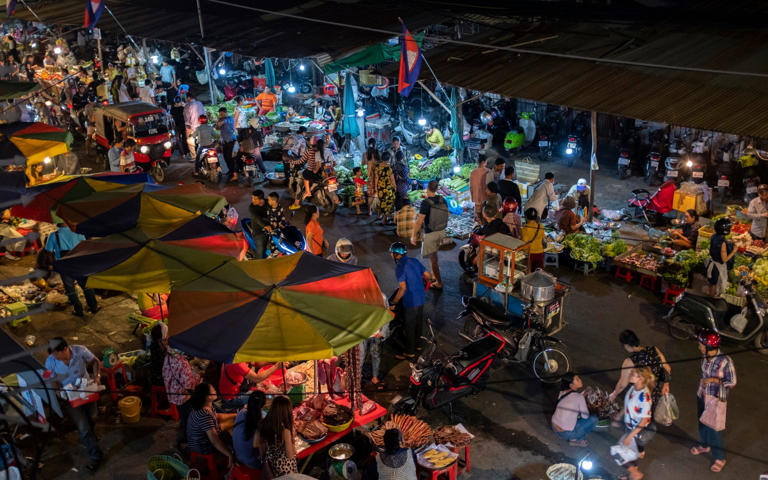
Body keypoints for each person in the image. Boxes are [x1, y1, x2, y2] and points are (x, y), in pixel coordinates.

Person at [45, 337, 104, 472]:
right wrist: (59, 393)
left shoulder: (81, 350)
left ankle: (91, 437)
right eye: (53, 354)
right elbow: (49, 378)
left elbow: (95, 361)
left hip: (87, 391)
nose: (54, 357)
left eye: (56, 354)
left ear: (65, 349)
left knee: (93, 417)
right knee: (83, 428)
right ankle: (96, 456)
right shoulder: (50, 361)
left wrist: (97, 377)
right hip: (70, 398)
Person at [691, 330, 736, 473]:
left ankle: (719, 457)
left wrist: (712, 380)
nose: (699, 346)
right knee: (702, 423)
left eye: (701, 344)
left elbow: (732, 382)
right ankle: (705, 445)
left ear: (710, 347)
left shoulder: (725, 361)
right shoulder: (705, 357)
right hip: (702, 395)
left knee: (713, 429)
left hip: (716, 399)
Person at [608, 330, 671, 424]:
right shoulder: (654, 350)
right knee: (646, 421)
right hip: (655, 396)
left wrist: (614, 394)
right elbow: (667, 368)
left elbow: (622, 384)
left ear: (626, 345)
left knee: (636, 423)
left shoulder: (630, 361)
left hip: (639, 398)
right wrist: (666, 384)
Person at [389, 242, 434, 359]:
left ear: (396, 254)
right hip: (421, 298)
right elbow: (429, 276)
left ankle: (410, 352)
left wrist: (393, 302)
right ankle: (418, 345)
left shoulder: (400, 267)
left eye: (392, 253)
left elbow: (402, 288)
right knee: (419, 323)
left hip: (411, 301)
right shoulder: (414, 261)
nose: (391, 255)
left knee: (409, 326)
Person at [44, 225, 99, 316]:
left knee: (70, 289)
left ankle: (79, 311)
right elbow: (85, 246)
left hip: (64, 265)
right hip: (79, 262)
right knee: (86, 286)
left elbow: (48, 252)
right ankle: (93, 307)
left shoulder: (53, 235)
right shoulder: (78, 231)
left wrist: (54, 264)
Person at [187, 383, 234, 468]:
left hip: (204, 440)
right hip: (203, 449)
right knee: (232, 429)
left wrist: (237, 414)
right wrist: (229, 454)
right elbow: (214, 440)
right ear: (208, 397)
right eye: (213, 390)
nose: (215, 391)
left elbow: (217, 416)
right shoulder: (204, 414)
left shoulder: (205, 406)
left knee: (232, 422)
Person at [620, 367, 655, 480]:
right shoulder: (633, 388)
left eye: (633, 374)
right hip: (630, 427)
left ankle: (635, 474)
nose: (630, 374)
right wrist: (620, 415)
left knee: (620, 453)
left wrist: (630, 436)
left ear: (640, 379)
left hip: (636, 430)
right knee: (629, 453)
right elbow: (628, 404)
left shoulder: (644, 398)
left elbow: (643, 421)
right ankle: (633, 472)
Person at [162, 348, 202, 449]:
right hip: (183, 396)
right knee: (188, 420)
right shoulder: (182, 362)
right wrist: (197, 377)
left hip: (173, 394)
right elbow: (188, 384)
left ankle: (182, 438)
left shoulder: (168, 357)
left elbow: (165, 375)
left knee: (184, 417)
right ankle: (185, 442)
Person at [412, 180, 448, 289]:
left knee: (433, 260)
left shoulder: (426, 202)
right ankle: (434, 275)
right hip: (441, 230)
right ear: (437, 189)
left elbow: (419, 221)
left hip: (431, 233)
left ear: (427, 188)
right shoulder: (442, 199)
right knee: (434, 256)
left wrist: (413, 235)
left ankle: (439, 282)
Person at [551, 372, 597, 447]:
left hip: (554, 427)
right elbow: (585, 416)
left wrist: (582, 395)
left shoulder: (562, 392)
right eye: (577, 379)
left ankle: (573, 437)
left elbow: (572, 399)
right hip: (566, 434)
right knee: (594, 419)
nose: (580, 380)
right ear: (571, 385)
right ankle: (577, 439)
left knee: (574, 413)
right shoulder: (579, 398)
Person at [259, 396, 298, 476]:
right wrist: (292, 438)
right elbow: (290, 455)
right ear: (286, 412)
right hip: (284, 469)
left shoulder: (264, 423)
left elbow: (261, 445)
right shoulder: (285, 431)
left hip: (271, 463)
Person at [232, 391, 267, 473]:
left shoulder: (241, 413)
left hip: (237, 455)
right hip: (252, 463)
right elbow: (263, 455)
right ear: (262, 407)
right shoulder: (259, 426)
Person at [706, 217, 736, 297]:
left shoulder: (714, 236)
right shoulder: (722, 243)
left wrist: (729, 242)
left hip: (712, 263)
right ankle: (713, 300)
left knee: (711, 283)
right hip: (718, 267)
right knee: (715, 286)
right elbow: (724, 259)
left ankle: (709, 297)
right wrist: (734, 250)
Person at [361, 320, 389, 391]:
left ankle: (375, 377)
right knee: (360, 356)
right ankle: (357, 379)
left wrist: (383, 332)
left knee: (376, 355)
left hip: (376, 334)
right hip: (361, 333)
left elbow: (387, 314)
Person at [215, 106, 237, 181]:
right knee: (225, 157)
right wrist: (218, 124)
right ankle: (230, 170)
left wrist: (221, 122)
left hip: (231, 141)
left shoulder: (230, 118)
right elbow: (217, 128)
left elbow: (227, 122)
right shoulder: (220, 119)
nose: (221, 115)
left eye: (222, 113)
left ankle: (234, 172)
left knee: (230, 157)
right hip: (224, 142)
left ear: (225, 112)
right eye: (220, 114)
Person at [375, 152, 397, 223]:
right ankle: (384, 219)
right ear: (388, 159)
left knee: (380, 201)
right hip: (388, 188)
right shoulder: (389, 168)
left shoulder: (377, 167)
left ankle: (378, 216)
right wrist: (395, 187)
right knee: (387, 203)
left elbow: (376, 178)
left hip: (380, 187)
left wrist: (375, 188)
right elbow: (392, 179)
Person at [248, 190, 270, 258]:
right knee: (260, 253)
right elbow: (257, 219)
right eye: (252, 198)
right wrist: (265, 226)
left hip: (270, 228)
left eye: (255, 199)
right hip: (259, 230)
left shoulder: (268, 203)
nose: (252, 200)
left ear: (261, 199)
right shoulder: (252, 207)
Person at [184, 93, 205, 159]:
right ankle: (202, 155)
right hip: (201, 125)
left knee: (190, 141)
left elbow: (188, 117)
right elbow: (204, 113)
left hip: (191, 127)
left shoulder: (188, 106)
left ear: (188, 98)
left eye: (186, 98)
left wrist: (192, 128)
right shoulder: (200, 103)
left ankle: (194, 156)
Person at [470, 156, 491, 220]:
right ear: (483, 162)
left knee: (477, 214)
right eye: (486, 162)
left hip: (476, 197)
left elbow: (471, 187)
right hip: (485, 196)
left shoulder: (473, 172)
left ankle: (477, 224)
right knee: (485, 213)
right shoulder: (487, 171)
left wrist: (473, 196)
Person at [363, 138, 381, 215]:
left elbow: (363, 165)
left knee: (370, 195)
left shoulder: (365, 154)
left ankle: (369, 210)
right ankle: (378, 213)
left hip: (369, 177)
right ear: (375, 144)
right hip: (378, 177)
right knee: (377, 194)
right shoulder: (378, 153)